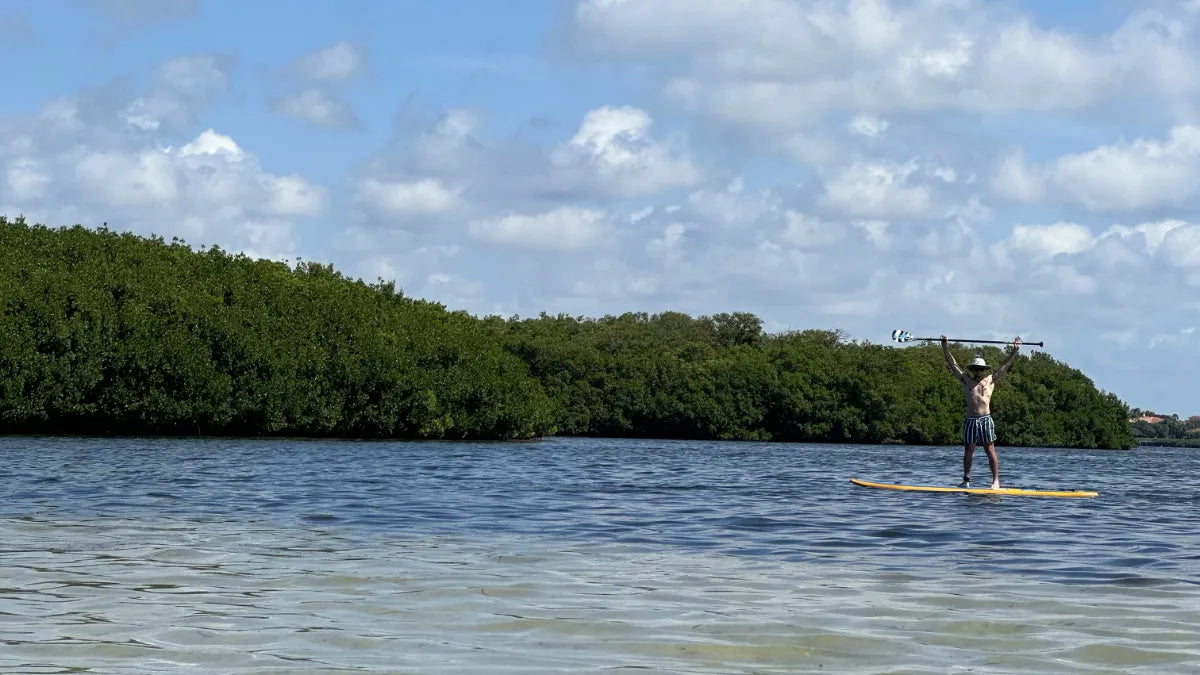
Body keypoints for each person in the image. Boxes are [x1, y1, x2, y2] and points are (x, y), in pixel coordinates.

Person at [941, 335, 1022, 489]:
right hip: (970, 420)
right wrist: (945, 347)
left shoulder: (990, 380)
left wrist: (1015, 351)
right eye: (975, 369)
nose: (977, 371)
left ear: (984, 370)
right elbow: (953, 364)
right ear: (972, 369)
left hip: (985, 419)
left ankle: (995, 481)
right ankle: (966, 480)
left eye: (980, 369)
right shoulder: (966, 380)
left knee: (990, 449)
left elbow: (1006, 365)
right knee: (968, 450)